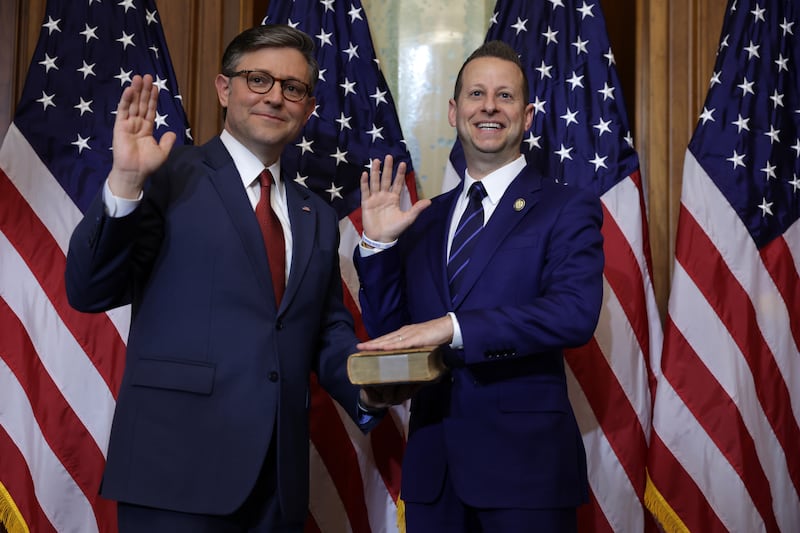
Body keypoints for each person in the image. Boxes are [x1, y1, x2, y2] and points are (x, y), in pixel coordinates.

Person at [65, 24, 392, 532]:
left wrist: (369, 388)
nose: (275, 97)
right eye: (258, 80)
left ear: (308, 108)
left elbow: (326, 332)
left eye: (293, 88)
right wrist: (126, 182)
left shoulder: (317, 216)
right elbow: (88, 290)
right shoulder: (167, 176)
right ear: (225, 89)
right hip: (175, 475)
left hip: (277, 485)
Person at [354, 40, 605, 532]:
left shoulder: (567, 207)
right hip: (434, 477)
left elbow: (574, 313)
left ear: (527, 115)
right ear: (454, 111)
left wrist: (452, 328)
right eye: (475, 94)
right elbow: (394, 337)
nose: (489, 106)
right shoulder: (425, 219)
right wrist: (379, 247)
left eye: (505, 96)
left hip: (525, 476)